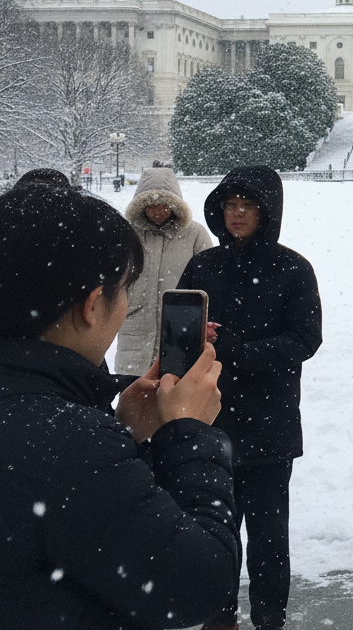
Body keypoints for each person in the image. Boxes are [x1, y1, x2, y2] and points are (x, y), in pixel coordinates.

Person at [0, 181, 239, 629]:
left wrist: (120, 432)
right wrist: (190, 432)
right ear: (92, 305)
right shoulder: (68, 447)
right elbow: (199, 584)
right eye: (124, 288)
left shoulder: (54, 431)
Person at [175, 166, 323, 630]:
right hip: (210, 419)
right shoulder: (204, 266)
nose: (237, 215)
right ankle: (218, 617)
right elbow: (178, 326)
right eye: (230, 205)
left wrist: (236, 350)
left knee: (267, 536)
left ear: (267, 211)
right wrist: (195, 339)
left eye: (248, 206)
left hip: (269, 423)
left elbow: (304, 340)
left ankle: (269, 618)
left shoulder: (293, 268)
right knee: (214, 535)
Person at [115, 166, 214, 375]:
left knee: (175, 397)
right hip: (134, 332)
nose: (157, 211)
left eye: (164, 204)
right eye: (150, 205)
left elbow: (211, 281)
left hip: (181, 331)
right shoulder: (126, 234)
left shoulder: (195, 234)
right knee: (132, 400)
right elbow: (112, 279)